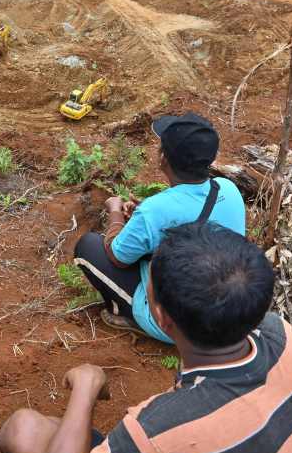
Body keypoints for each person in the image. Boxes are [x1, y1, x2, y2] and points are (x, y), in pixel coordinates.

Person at [0, 222, 292, 453]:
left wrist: (86, 388)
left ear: (160, 317)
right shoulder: (283, 337)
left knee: (23, 434)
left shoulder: (158, 432)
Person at [74, 112, 245, 343]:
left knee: (89, 246)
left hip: (177, 326)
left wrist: (115, 211)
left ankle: (129, 313)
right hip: (224, 312)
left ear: (163, 158)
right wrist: (144, 215)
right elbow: (186, 216)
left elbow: (117, 256)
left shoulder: (155, 211)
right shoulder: (228, 189)